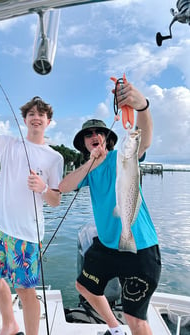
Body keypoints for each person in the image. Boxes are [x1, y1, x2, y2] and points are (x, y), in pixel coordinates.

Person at [59, 81, 161, 335]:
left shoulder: (123, 157)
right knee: (84, 286)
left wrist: (143, 107)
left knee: (135, 318)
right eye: (89, 134)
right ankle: (115, 329)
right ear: (84, 143)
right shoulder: (88, 170)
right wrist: (91, 164)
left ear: (108, 139)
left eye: (99, 133)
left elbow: (143, 139)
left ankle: (124, 324)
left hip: (140, 245)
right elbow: (63, 186)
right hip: (106, 245)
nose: (95, 136)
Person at [0, 82, 64, 335]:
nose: (36, 117)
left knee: (25, 290)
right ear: (24, 119)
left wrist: (43, 189)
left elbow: (56, 201)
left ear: (48, 121)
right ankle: (10, 323)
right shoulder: (8, 144)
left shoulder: (55, 158)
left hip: (26, 235)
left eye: (41, 114)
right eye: (31, 113)